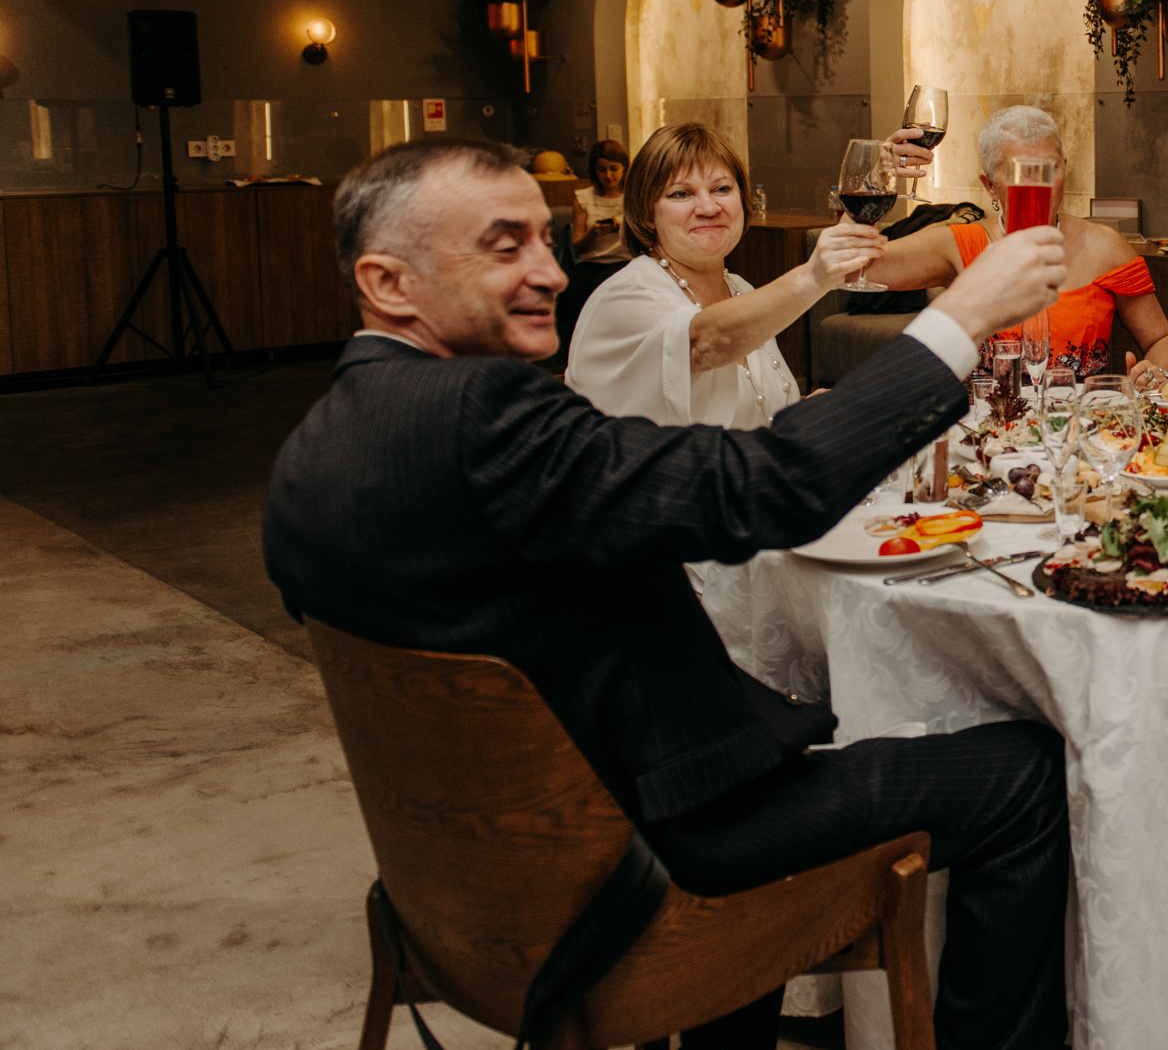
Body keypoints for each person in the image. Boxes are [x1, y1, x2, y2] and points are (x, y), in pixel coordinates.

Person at [262, 138, 1074, 1050]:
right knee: (1027, 774)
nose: (551, 274)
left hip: (471, 884)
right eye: (504, 247)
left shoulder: (314, 450)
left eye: (546, 240)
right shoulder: (482, 416)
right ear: (389, 282)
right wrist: (959, 319)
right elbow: (760, 489)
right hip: (649, 858)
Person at [565, 122, 886, 725]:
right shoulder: (626, 297)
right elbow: (705, 345)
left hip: (759, 534)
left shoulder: (736, 287)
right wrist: (817, 274)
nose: (709, 206)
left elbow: (758, 416)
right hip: (677, 574)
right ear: (645, 213)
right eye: (681, 194)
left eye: (722, 188)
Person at [872, 105, 1168, 386]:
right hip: (985, 437)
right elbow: (866, 266)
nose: (1041, 185)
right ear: (989, 185)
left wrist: (1153, 373)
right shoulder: (960, 245)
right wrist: (877, 178)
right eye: (1023, 172)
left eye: (1051, 169)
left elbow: (1163, 338)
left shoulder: (1104, 246)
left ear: (1064, 167)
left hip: (1077, 432)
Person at [556, 137, 630, 343]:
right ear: (594, 170)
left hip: (625, 261)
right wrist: (593, 233)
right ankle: (569, 350)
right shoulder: (583, 197)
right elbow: (577, 247)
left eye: (614, 169)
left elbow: (647, 238)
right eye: (601, 169)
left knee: (603, 286)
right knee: (569, 293)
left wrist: (623, 229)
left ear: (624, 168)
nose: (608, 175)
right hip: (591, 262)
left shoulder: (632, 196)